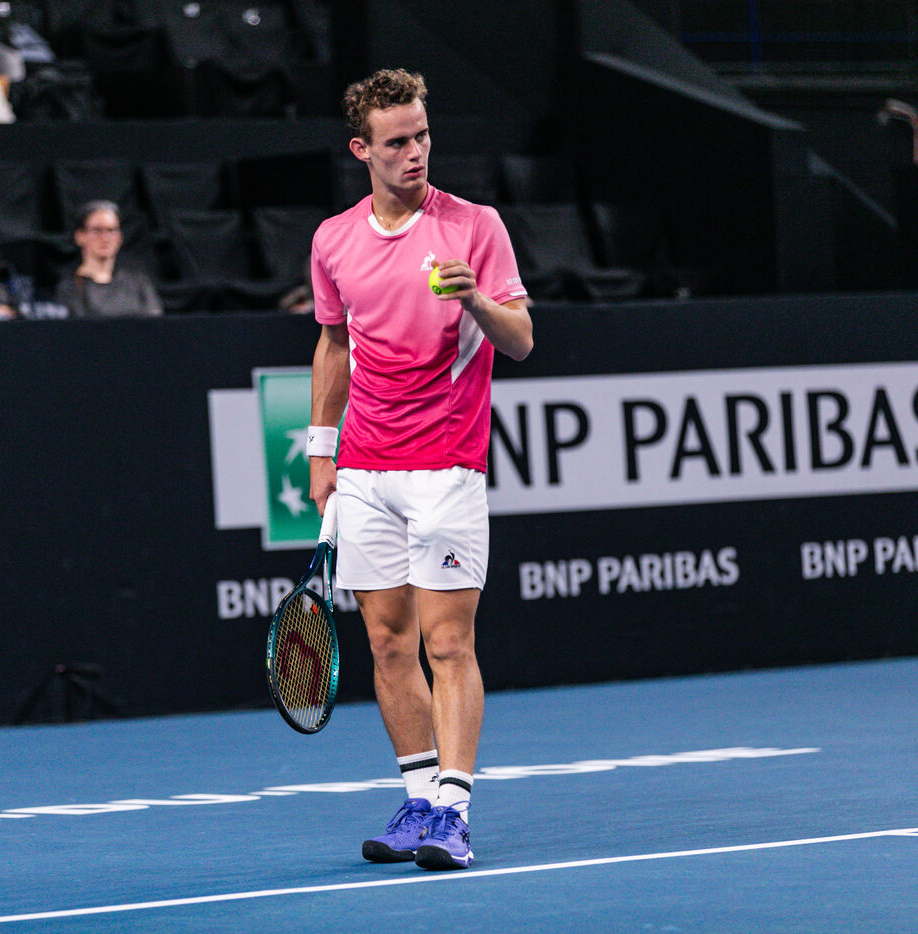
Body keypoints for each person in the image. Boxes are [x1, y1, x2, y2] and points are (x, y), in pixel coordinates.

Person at [307, 68, 532, 872]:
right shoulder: (333, 240)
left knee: (448, 642)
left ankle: (454, 814)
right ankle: (415, 801)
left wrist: (475, 302)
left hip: (447, 466)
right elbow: (333, 344)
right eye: (398, 141)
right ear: (362, 150)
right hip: (366, 470)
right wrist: (322, 451)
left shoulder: (475, 227)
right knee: (387, 642)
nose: (416, 152)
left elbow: (520, 340)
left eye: (423, 135)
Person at [53, 200, 162, 318]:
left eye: (111, 230)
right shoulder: (70, 288)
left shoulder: (139, 283)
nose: (105, 238)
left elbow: (155, 322)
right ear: (80, 236)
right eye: (96, 230)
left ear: (119, 237)